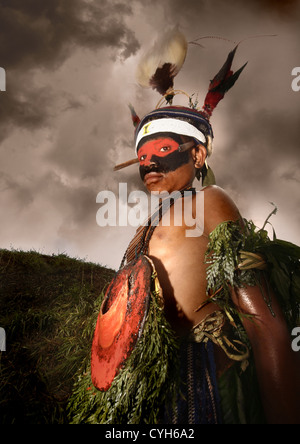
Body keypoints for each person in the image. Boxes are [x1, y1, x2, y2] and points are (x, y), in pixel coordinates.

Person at [69, 29, 300, 424]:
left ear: (197, 154)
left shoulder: (211, 202)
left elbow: (263, 323)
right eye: (141, 156)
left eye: (160, 151)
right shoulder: (146, 227)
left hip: (203, 378)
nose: (148, 164)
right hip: (155, 384)